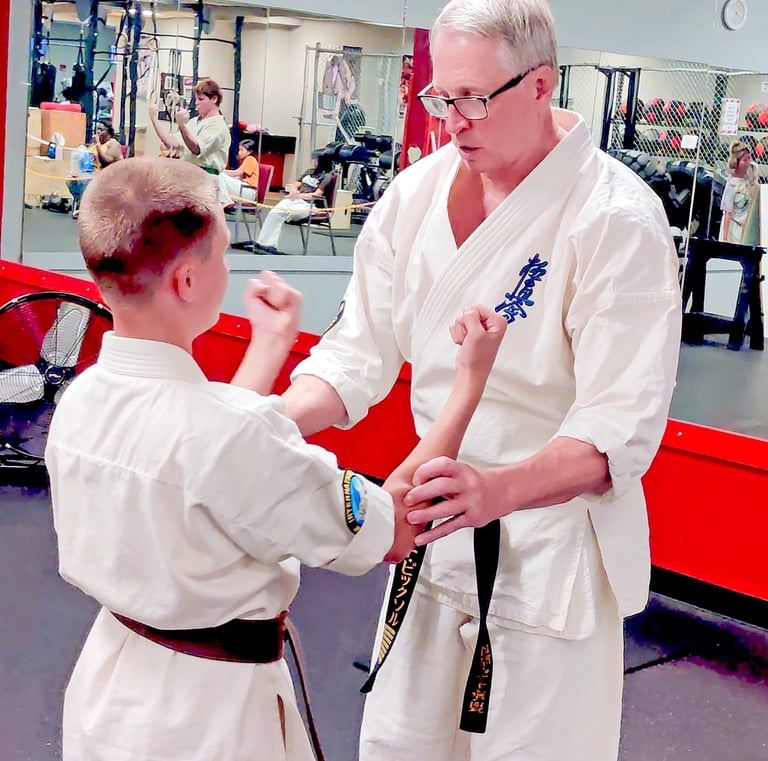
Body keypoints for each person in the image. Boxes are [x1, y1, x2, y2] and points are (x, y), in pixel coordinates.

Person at [282, 1, 682, 759]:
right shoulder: (414, 195)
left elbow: (616, 431)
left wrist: (493, 489)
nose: (453, 121)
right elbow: (356, 354)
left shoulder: (614, 219)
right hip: (432, 530)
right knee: (400, 746)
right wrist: (269, 424)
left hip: (548, 547)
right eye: (441, 97)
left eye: (473, 98)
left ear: (540, 85)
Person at [44, 155, 507, 761]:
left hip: (110, 687)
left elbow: (213, 455)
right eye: (222, 255)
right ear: (186, 281)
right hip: (210, 717)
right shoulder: (223, 434)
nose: (227, 270)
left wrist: (269, 345)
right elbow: (395, 526)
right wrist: (469, 383)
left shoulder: (81, 403)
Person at [255, 150, 334, 254]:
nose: (313, 161)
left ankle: (288, 217)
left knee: (292, 213)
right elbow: (296, 184)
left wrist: (297, 196)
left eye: (315, 159)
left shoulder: (327, 176)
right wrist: (294, 191)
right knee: (275, 212)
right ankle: (265, 242)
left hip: (311, 204)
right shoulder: (309, 171)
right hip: (296, 199)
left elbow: (317, 194)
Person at [148, 77, 231, 176]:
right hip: (189, 175)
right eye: (196, 99)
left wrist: (182, 125)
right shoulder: (194, 121)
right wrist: (154, 119)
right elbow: (173, 143)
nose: (196, 103)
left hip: (206, 178)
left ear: (214, 99)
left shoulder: (218, 126)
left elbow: (197, 149)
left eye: (201, 99)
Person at [720, 140, 758, 244]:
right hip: (734, 226)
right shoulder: (732, 185)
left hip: (747, 223)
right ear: (736, 162)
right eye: (745, 160)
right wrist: (725, 238)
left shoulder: (752, 170)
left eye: (749, 158)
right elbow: (728, 212)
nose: (748, 162)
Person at [219, 138, 259, 204]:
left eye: (242, 150)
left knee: (220, 175)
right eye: (239, 150)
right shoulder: (245, 160)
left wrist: (222, 171)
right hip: (245, 189)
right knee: (220, 177)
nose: (239, 152)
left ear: (249, 151)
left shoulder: (250, 159)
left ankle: (226, 201)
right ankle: (224, 200)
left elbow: (237, 173)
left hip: (249, 191)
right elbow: (239, 176)